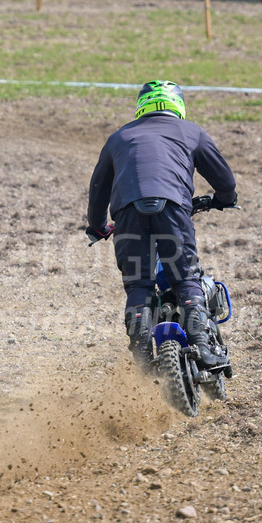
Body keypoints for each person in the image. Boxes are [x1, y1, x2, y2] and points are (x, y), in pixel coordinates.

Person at [85, 81, 238, 370]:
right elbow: (226, 181)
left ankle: (142, 358)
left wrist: (97, 225)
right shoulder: (191, 131)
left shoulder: (118, 137)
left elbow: (98, 187)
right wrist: (224, 199)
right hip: (173, 208)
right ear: (177, 105)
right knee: (185, 279)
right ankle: (203, 350)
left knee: (138, 286)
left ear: (141, 106)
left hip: (127, 212)